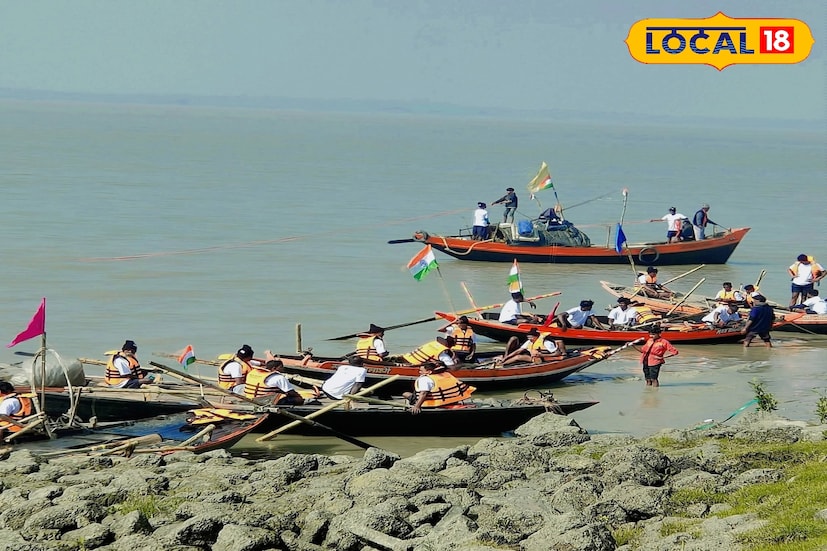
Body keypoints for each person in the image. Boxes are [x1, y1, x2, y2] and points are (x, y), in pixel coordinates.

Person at [402, 362, 475, 415]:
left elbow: (423, 393)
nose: (419, 372)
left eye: (421, 371)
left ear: (429, 372)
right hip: (451, 400)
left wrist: (417, 406)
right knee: (407, 394)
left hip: (432, 404)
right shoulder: (445, 374)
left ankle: (413, 402)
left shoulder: (425, 379)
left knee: (405, 394)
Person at [500, 328, 566, 365]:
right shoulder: (529, 342)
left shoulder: (546, 342)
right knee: (517, 356)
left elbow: (557, 353)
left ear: (536, 337)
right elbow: (518, 351)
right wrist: (506, 357)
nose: (529, 339)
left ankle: (502, 364)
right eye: (528, 338)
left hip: (544, 358)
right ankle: (502, 364)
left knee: (518, 357)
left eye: (531, 338)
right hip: (534, 357)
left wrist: (542, 355)